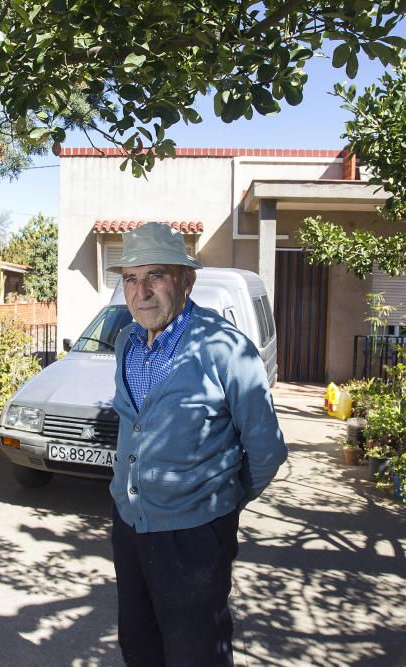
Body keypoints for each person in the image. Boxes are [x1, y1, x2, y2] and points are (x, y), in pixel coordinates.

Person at [107, 222, 287, 666]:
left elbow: (266, 451)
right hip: (130, 526)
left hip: (195, 534)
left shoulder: (227, 349)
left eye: (156, 276)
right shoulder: (127, 343)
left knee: (196, 653)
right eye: (131, 278)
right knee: (139, 642)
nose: (142, 291)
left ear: (186, 281)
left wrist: (220, 501)